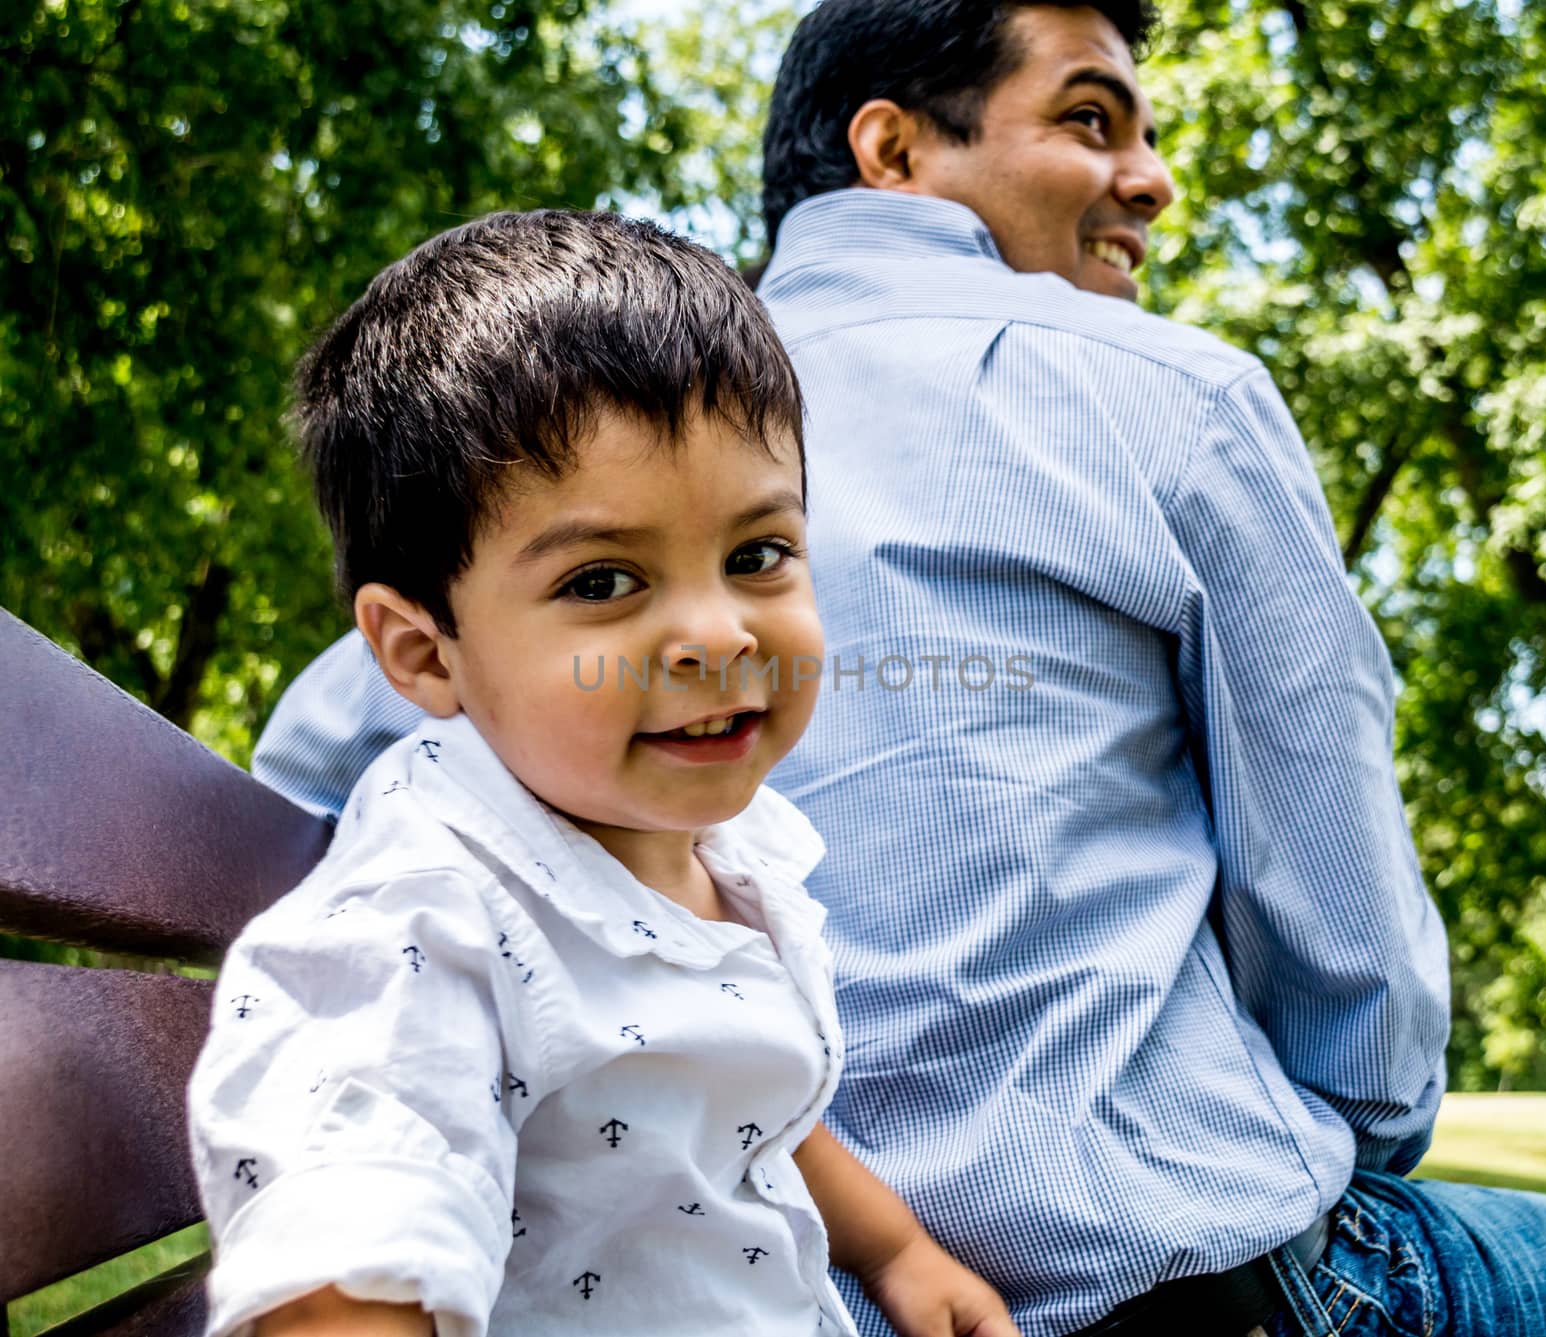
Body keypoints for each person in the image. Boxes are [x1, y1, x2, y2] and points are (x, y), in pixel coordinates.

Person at [250, 6, 1546, 1337]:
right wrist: (1340, 1138)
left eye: (770, 555)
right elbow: (1352, 984)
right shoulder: (1171, 396)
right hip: (1184, 1282)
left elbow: (303, 767)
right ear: (892, 147)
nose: (1153, 177)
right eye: (1090, 117)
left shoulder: (568, 440)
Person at [186, 209, 1021, 1337]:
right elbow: (358, 1194)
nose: (718, 633)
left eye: (757, 555)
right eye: (602, 582)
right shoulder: (427, 916)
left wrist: (899, 1249)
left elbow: (736, 1097)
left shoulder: (708, 851)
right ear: (425, 650)